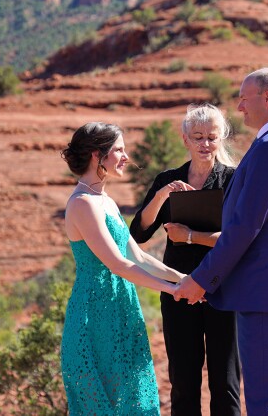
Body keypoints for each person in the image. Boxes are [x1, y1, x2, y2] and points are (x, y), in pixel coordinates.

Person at [173, 68, 268, 415]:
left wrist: (200, 280)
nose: (239, 106)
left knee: (267, 404)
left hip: (264, 292)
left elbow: (243, 228)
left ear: (267, 97)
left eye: (244, 97)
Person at [60, 122, 185, 415]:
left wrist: (182, 278)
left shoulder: (106, 201)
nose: (126, 156)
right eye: (118, 150)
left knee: (134, 398)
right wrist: (171, 289)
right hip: (94, 314)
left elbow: (138, 256)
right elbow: (117, 264)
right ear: (96, 155)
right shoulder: (82, 204)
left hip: (122, 308)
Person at [130, 104, 242, 416]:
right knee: (182, 383)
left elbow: (238, 240)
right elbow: (139, 232)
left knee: (226, 383)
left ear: (221, 139)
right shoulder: (169, 179)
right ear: (185, 140)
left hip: (223, 291)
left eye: (211, 137)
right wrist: (162, 194)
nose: (205, 144)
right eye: (198, 137)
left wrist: (190, 236)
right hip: (178, 291)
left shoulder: (233, 179)